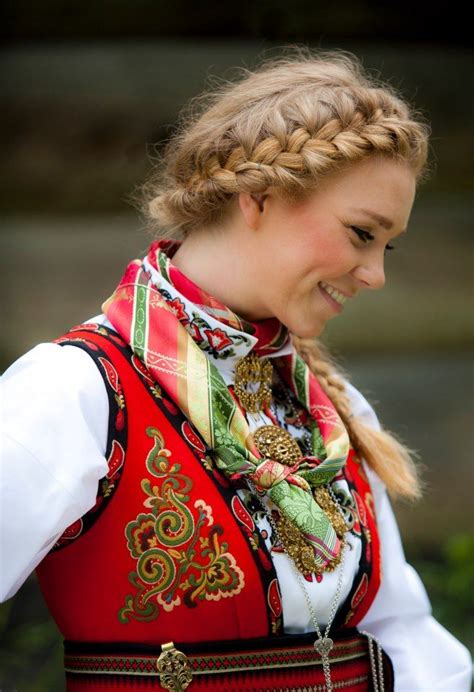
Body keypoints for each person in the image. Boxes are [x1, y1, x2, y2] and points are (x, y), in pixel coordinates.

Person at [1, 48, 472, 691]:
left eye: (387, 246)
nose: (377, 274)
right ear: (260, 197)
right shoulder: (74, 391)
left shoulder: (330, 409)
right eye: (363, 233)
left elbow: (406, 636)